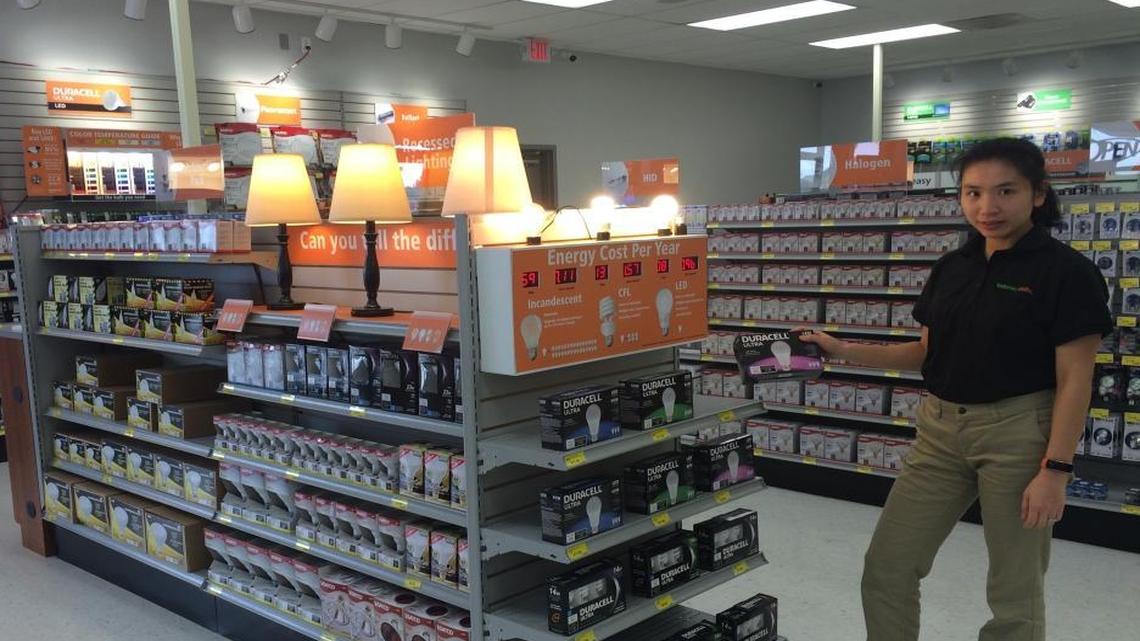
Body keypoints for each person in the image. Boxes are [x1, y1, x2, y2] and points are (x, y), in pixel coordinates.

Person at [801, 137, 1112, 641]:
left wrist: (1056, 469)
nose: (987, 207)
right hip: (940, 433)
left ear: (1038, 194)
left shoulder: (1067, 273)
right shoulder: (953, 268)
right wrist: (840, 349)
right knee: (888, 566)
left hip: (1018, 436)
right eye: (973, 193)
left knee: (1015, 590)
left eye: (1005, 191)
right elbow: (925, 353)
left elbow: (1075, 379)